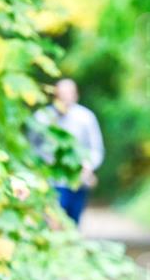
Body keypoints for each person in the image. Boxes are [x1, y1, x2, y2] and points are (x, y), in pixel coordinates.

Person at [34, 78, 104, 225]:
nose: (65, 99)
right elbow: (31, 147)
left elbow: (96, 149)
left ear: (76, 95)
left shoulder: (86, 117)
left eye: (68, 94)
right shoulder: (42, 117)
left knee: (73, 222)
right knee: (53, 221)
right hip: (51, 180)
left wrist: (88, 166)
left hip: (78, 180)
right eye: (61, 95)